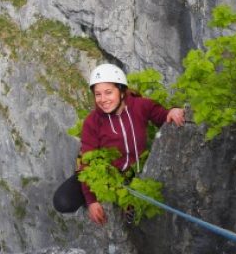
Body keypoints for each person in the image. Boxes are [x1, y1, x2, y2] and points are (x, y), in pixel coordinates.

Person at [53, 63, 185, 225]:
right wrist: (91, 201)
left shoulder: (141, 106)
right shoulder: (93, 122)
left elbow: (161, 116)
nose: (103, 99)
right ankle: (118, 201)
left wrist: (173, 111)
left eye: (108, 92)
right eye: (98, 94)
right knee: (63, 201)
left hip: (131, 172)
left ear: (122, 91)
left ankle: (126, 203)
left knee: (138, 214)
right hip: (104, 172)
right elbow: (88, 161)